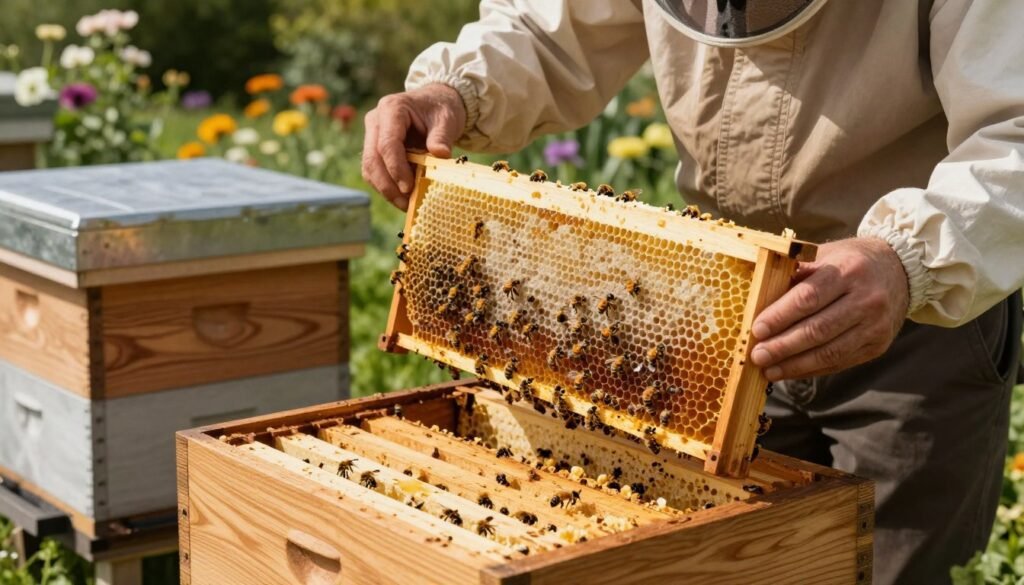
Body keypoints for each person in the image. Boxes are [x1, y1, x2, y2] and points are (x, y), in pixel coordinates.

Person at [361, 2, 1024, 582]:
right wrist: (461, 89)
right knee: (724, 562)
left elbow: (1015, 131)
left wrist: (910, 259)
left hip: (917, 320)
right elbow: (550, 26)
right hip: (716, 321)